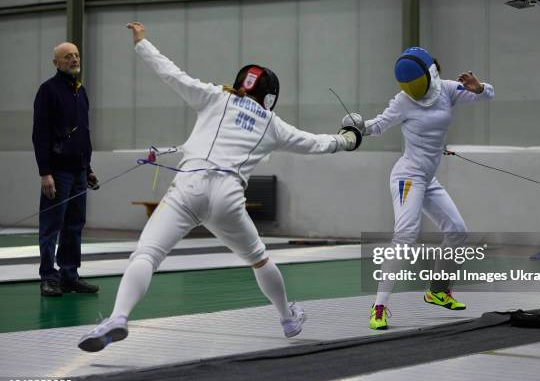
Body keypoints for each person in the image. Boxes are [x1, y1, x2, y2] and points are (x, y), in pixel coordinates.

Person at [78, 22, 363, 352]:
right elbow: (316, 143)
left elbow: (172, 74)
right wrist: (348, 139)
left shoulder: (214, 96)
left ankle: (118, 317)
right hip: (227, 198)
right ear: (269, 97)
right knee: (259, 259)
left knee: (147, 254)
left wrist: (142, 43)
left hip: (188, 187)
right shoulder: (273, 124)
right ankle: (288, 318)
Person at [341, 47, 494, 330]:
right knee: (406, 235)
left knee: (457, 231)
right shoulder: (403, 101)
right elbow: (378, 125)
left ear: (430, 74)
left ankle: (437, 290)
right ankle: (379, 306)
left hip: (428, 179)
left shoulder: (447, 90)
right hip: (408, 176)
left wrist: (479, 86)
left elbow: (488, 95)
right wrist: (357, 127)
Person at [32, 42, 100, 297]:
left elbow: (83, 133)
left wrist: (89, 168)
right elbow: (40, 135)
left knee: (74, 225)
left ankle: (70, 275)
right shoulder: (48, 91)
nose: (74, 59)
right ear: (56, 63)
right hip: (57, 172)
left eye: (76, 55)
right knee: (51, 225)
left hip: (79, 172)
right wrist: (45, 172)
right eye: (67, 56)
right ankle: (49, 277)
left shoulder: (80, 92)